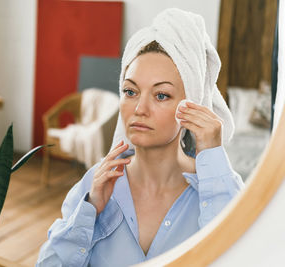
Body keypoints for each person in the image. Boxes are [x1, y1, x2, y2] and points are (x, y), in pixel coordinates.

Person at [36, 8, 245, 267]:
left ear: (191, 105)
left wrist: (212, 156)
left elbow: (238, 256)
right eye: (130, 91)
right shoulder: (95, 184)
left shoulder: (220, 188)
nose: (139, 109)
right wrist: (89, 210)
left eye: (161, 95)